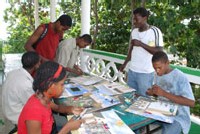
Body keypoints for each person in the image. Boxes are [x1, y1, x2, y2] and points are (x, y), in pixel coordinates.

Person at [18, 61, 84, 134]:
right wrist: (67, 127)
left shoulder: (43, 97)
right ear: (50, 85)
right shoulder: (34, 113)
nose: (63, 88)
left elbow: (57, 108)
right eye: (62, 84)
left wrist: (70, 109)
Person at [146, 51, 195, 134]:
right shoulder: (157, 75)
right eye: (155, 68)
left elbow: (191, 102)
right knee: (140, 124)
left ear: (167, 63)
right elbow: (160, 94)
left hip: (178, 117)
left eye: (159, 68)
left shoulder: (179, 77)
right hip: (161, 112)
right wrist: (153, 92)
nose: (157, 71)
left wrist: (164, 93)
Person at [119, 7, 164, 96]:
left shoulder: (155, 31)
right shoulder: (134, 32)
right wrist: (124, 64)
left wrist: (141, 44)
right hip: (132, 71)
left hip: (145, 73)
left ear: (145, 18)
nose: (134, 21)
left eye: (136, 19)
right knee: (129, 96)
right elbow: (131, 50)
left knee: (144, 99)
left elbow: (159, 52)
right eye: (133, 19)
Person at [2, 51, 41, 132]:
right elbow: (34, 104)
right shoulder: (25, 84)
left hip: (8, 109)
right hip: (15, 115)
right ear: (36, 65)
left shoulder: (13, 73)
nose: (40, 64)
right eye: (39, 62)